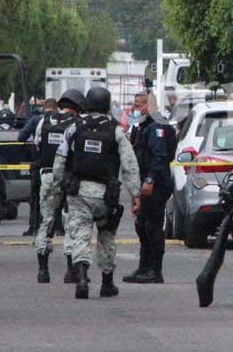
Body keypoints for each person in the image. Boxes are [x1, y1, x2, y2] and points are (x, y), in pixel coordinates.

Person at [52, 87, 140, 299]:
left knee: (80, 234)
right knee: (106, 235)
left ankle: (81, 279)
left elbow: (60, 159)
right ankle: (107, 283)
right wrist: (135, 194)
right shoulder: (116, 130)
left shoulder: (74, 128)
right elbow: (129, 165)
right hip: (105, 195)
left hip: (78, 191)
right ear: (107, 105)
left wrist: (58, 187)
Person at [123, 92, 177, 284]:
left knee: (153, 227)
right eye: (135, 105)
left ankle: (155, 270)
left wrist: (150, 179)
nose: (136, 109)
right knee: (142, 226)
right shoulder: (143, 126)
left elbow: (159, 156)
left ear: (149, 106)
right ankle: (144, 267)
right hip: (144, 182)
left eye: (139, 105)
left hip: (156, 184)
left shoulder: (157, 127)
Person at [32, 91, 84, 284]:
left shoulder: (44, 121)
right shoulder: (76, 125)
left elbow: (37, 144)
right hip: (69, 178)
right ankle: (70, 271)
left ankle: (43, 271)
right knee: (70, 222)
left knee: (46, 221)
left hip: (47, 176)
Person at [18, 98, 57, 236]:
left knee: (35, 198)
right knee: (59, 199)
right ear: (56, 108)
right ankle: (59, 228)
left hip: (39, 165)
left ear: (44, 108)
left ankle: (34, 227)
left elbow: (21, 137)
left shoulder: (36, 120)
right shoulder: (63, 121)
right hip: (59, 167)